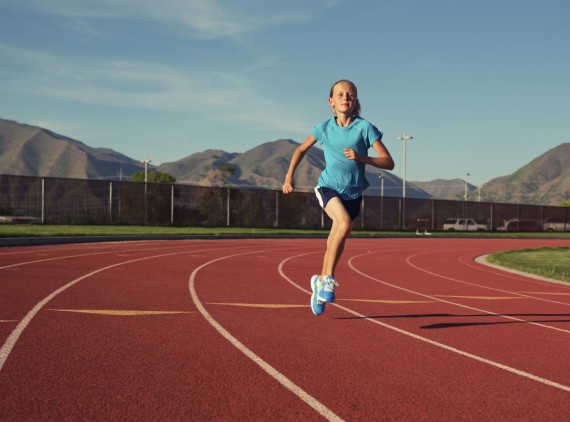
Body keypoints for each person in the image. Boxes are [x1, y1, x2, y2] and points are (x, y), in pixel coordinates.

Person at [282, 79, 395, 316]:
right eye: (341, 95)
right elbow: (301, 149)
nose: (346, 98)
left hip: (353, 194)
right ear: (331, 101)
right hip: (328, 187)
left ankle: (319, 281)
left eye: (350, 95)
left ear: (355, 102)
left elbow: (389, 162)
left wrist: (362, 158)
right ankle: (328, 279)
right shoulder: (323, 128)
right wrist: (288, 177)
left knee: (339, 236)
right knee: (343, 224)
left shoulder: (365, 128)